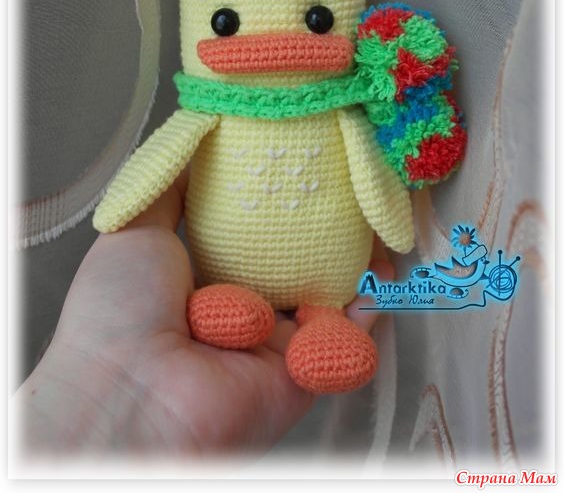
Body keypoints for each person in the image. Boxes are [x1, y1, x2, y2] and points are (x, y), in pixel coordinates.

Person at [13, 166, 392, 456]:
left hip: (327, 287)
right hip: (226, 280)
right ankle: (224, 306)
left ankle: (323, 319)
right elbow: (164, 157)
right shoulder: (209, 114)